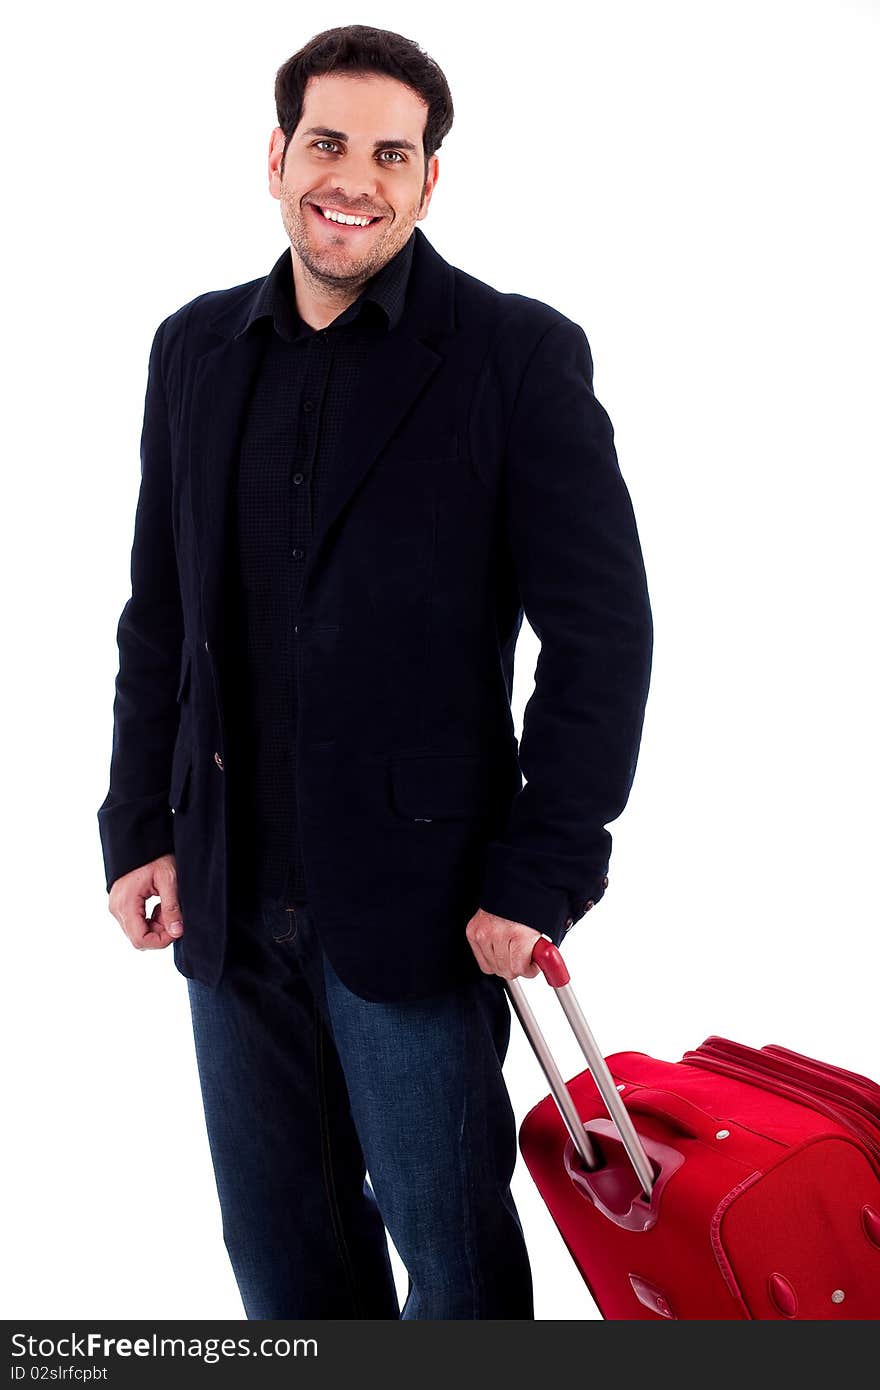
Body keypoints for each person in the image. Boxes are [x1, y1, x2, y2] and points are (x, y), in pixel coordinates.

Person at [97, 24, 653, 1319]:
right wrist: (139, 828)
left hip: (422, 915)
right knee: (287, 1278)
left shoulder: (514, 358)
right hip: (231, 913)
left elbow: (603, 633)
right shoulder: (194, 354)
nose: (355, 176)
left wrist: (542, 875)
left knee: (454, 1281)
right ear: (277, 155)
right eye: (328, 142)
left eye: (389, 152)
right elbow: (157, 618)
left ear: (429, 179)